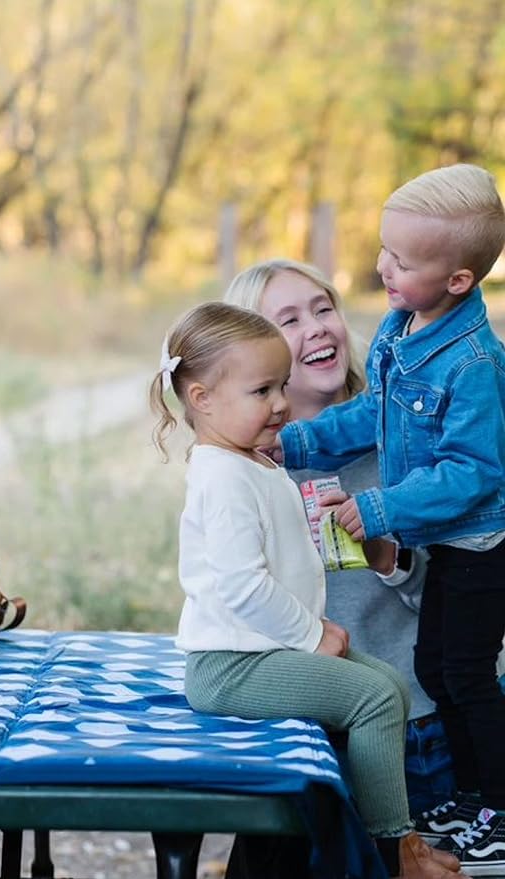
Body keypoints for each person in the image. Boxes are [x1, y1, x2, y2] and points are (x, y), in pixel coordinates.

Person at [149, 300, 465, 879]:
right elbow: (242, 586)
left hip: (259, 652)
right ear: (202, 399)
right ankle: (396, 849)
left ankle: (398, 840)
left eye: (282, 387)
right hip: (230, 666)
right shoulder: (222, 476)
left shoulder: (249, 462)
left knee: (389, 686)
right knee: (371, 699)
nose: (280, 404)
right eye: (262, 391)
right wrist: (311, 632)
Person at [277, 163, 505, 876]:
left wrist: (375, 510)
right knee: (443, 665)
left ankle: (495, 805)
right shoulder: (401, 326)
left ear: (459, 280)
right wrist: (298, 442)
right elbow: (369, 415)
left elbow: (476, 471)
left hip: (477, 541)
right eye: (384, 249)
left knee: (464, 671)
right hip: (437, 545)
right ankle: (472, 797)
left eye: (401, 261)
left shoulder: (472, 363)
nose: (382, 267)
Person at [225, 258, 454, 816]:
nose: (317, 327)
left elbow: (470, 598)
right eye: (289, 320)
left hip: (418, 728)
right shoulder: (241, 468)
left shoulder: (406, 438)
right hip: (302, 731)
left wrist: (385, 554)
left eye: (323, 308)